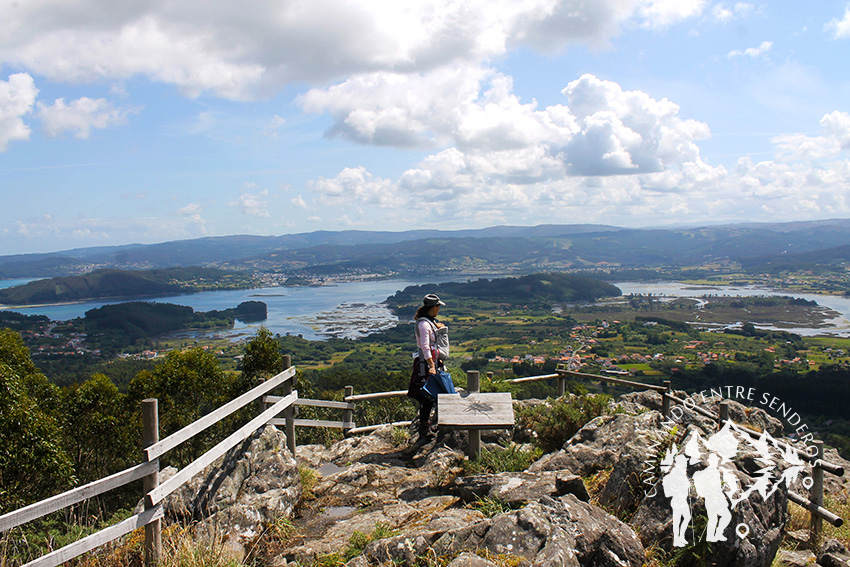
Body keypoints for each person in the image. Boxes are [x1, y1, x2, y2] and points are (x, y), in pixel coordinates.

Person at [406, 293, 447, 438]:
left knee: (431, 394)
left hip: (430, 362)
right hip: (426, 363)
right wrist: (431, 365)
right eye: (438, 307)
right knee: (427, 395)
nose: (439, 309)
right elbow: (425, 346)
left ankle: (427, 426)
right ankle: (424, 428)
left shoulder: (429, 322)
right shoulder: (424, 324)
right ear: (434, 307)